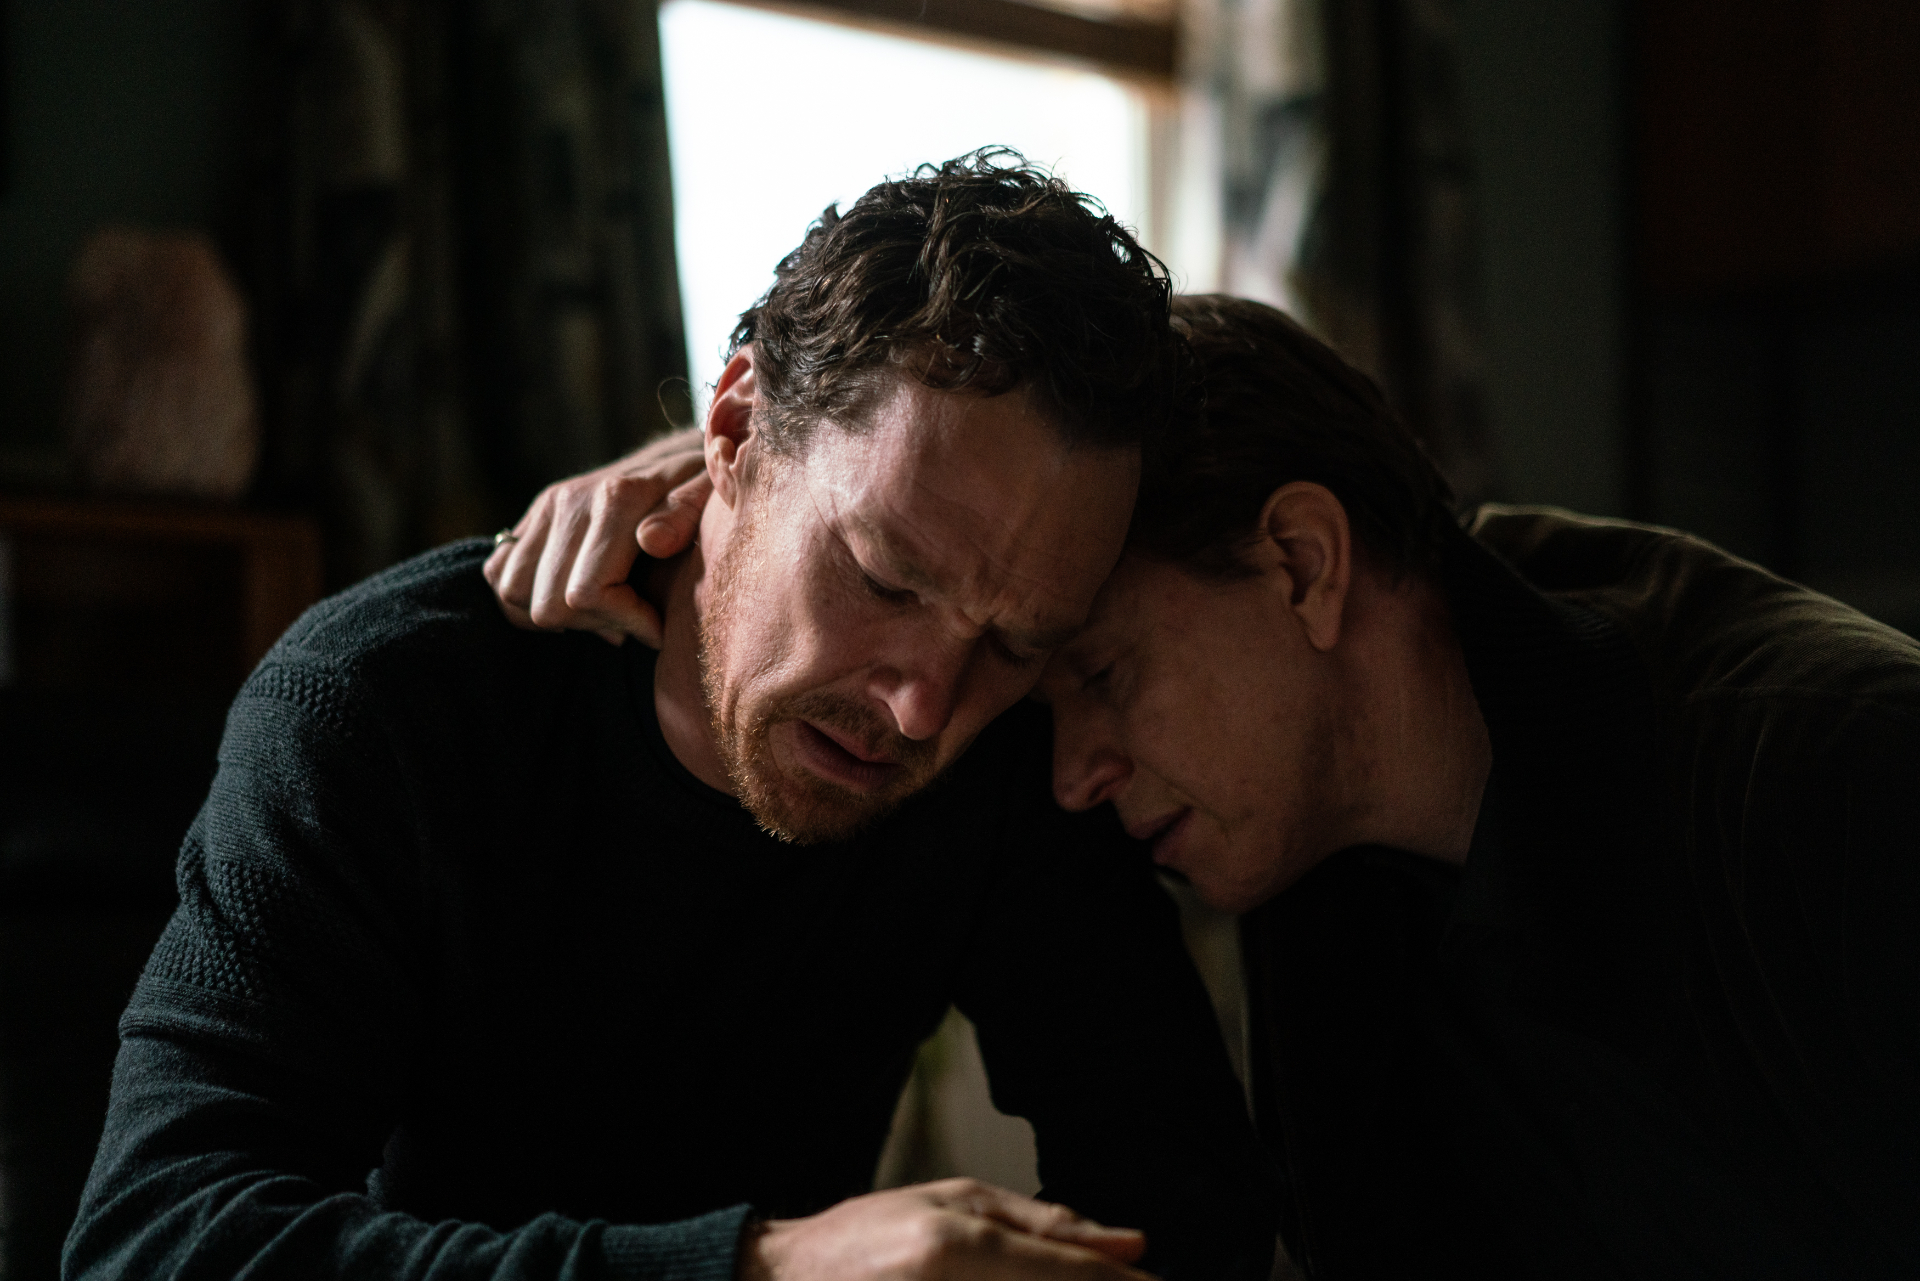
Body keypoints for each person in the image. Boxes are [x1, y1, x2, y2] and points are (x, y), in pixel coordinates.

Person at [517, 294, 1919, 1279]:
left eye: (1103, 673)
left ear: (1303, 566)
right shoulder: (1299, 831)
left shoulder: (1842, 781)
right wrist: (745, 487)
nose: (1072, 778)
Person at [64, 157, 1273, 1281]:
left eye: (1015, 643)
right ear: (734, 436)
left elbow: (1186, 1200)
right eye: (885, 579)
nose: (923, 708)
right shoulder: (385, 706)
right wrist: (754, 1267)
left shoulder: (1001, 759)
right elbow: (152, 1237)